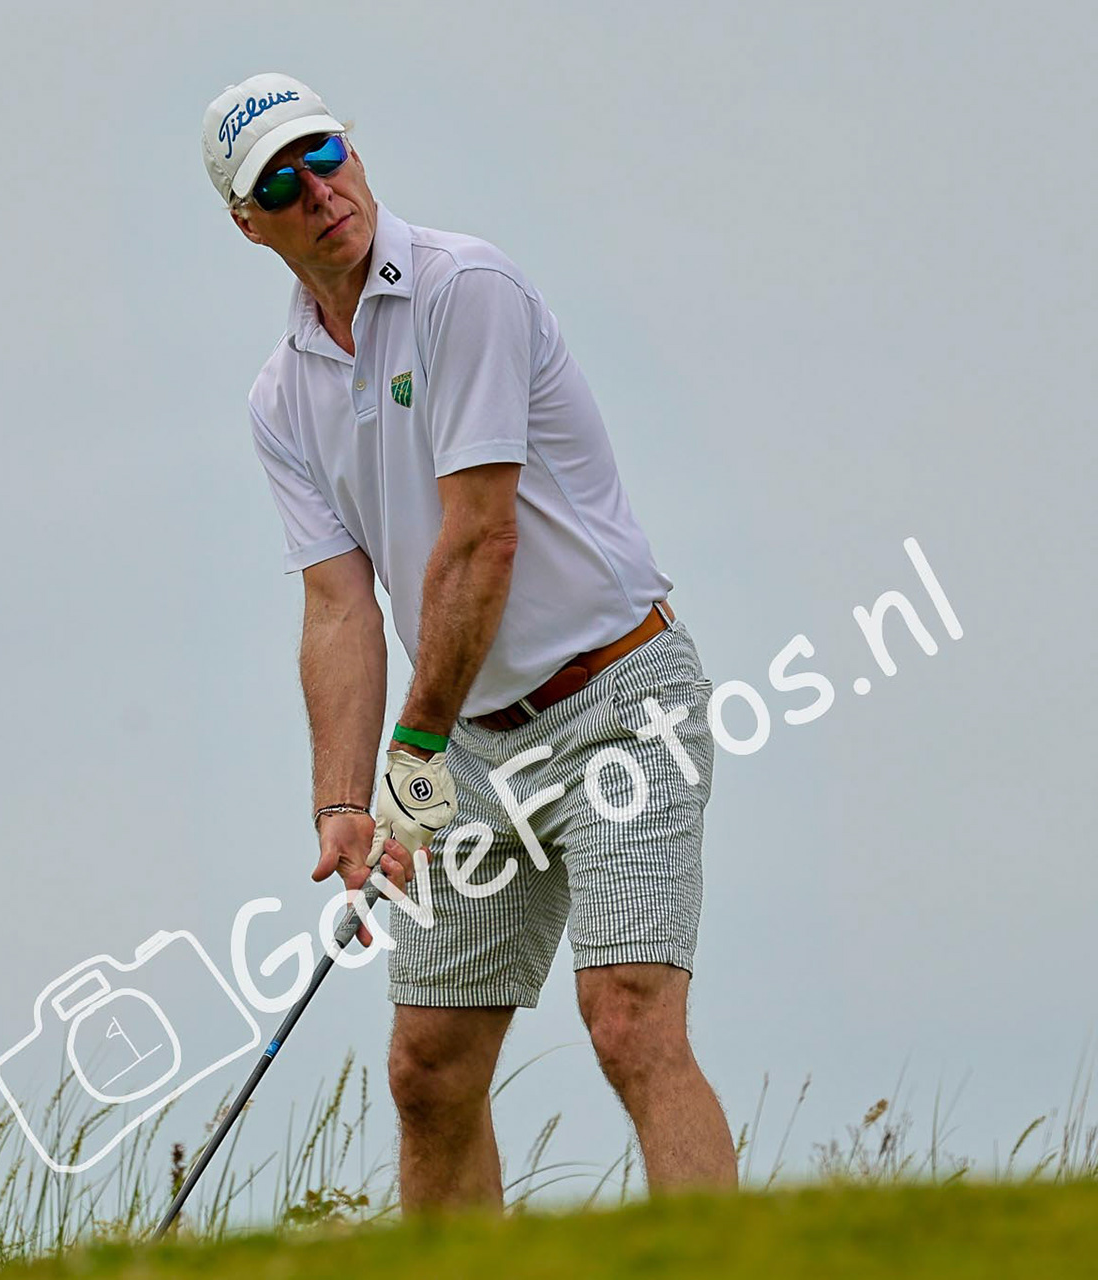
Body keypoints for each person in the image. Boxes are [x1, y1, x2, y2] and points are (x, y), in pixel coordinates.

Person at [200, 73, 738, 1209]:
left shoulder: (466, 288)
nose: (321, 191)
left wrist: (412, 751)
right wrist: (344, 801)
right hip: (472, 752)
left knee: (629, 1016)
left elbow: (477, 540)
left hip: (618, 701)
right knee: (428, 1067)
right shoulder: (279, 396)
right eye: (282, 185)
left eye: (327, 154)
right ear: (249, 221)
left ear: (354, 148)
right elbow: (340, 605)